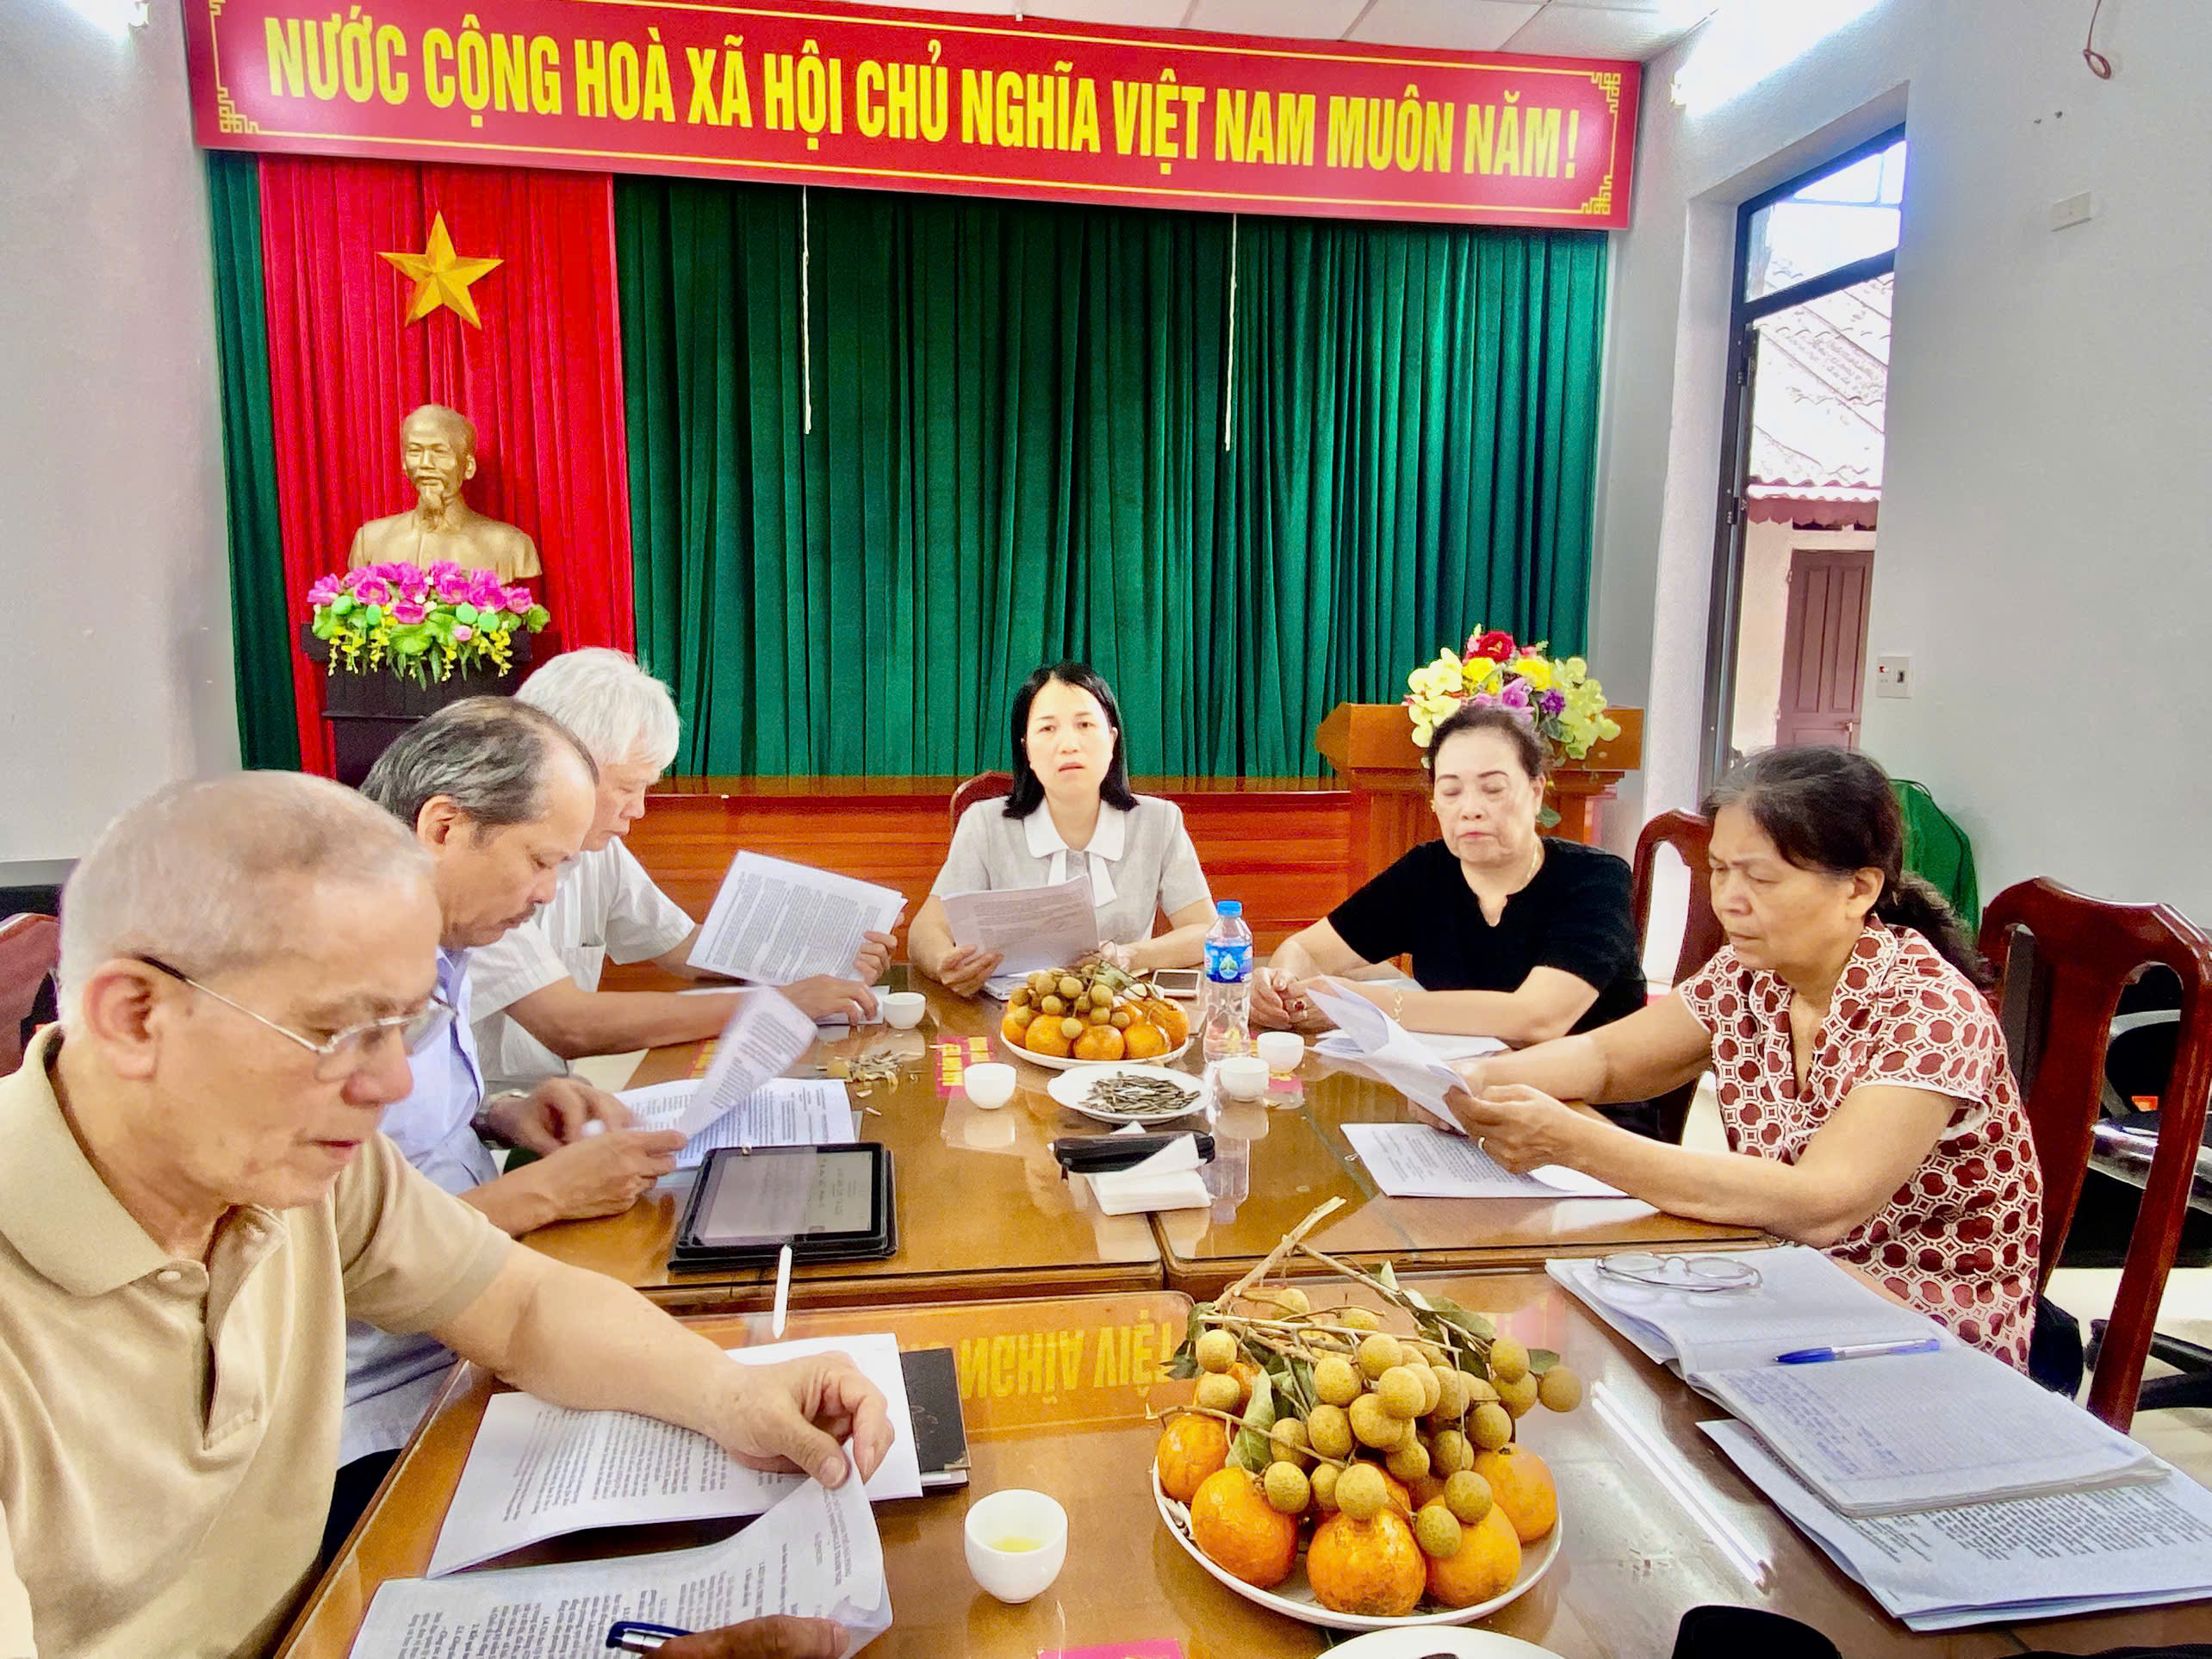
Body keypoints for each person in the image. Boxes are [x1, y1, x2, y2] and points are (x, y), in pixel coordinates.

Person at [0, 772, 891, 1658]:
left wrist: (732, 1392)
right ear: (136, 1017)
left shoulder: (289, 1165)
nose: (391, 1083)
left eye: (406, 1025)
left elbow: (519, 1305)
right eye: (340, 1031)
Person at [1447, 746, 2044, 1369]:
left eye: (1760, 879)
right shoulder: (1749, 973)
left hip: (1920, 1336)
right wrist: (1470, 1078)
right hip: (1781, 1284)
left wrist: (1572, 1142)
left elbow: (1819, 1204)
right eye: (1719, 871)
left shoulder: (1931, 1012)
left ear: (1859, 888)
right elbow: (1608, 1059)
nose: (1729, 900)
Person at [340, 698, 689, 1537]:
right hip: (391, 1393)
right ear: (444, 826)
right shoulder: (332, 977)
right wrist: (546, 1193)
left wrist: (507, 1115)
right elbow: (344, 1266)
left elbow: (415, 1134)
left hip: (485, 1312)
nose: (547, 895)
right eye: (540, 862)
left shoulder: (445, 939)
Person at [469, 648, 891, 1094]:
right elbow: (568, 1024)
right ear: (558, 765)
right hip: (488, 1115)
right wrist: (777, 1004)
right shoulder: (486, 859)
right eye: (628, 788)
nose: (638, 810)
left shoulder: (598, 850)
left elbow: (684, 947)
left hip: (549, 1099)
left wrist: (824, 960)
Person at [1252, 702, 1657, 1133]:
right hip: (1460, 1101)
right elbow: (1307, 949)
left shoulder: (1594, 878)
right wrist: (1281, 988)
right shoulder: (1427, 872)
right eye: (1451, 791)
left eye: (1493, 789)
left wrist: (1366, 1005)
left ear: (1536, 791)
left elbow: (1538, 1018)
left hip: (1588, 1116)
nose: (1470, 808)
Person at [908, 662, 1215, 995]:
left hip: (1119, 1013)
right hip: (1009, 1013)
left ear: (1112, 740)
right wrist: (944, 963)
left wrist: (1129, 955)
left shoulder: (1159, 821)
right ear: (1026, 748)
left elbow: (1205, 930)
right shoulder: (984, 824)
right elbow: (926, 930)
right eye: (1047, 729)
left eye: (1085, 724)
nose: (1068, 744)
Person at [345, 402, 542, 581]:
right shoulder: (370, 541)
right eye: (415, 451)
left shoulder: (510, 546)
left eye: (440, 452)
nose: (425, 464)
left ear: (468, 466)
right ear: (404, 464)